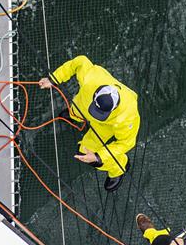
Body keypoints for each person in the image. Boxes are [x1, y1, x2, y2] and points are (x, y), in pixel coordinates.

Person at [38, 55, 140, 192]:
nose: (95, 113)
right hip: (83, 104)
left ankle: (119, 167)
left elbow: (126, 143)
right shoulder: (91, 78)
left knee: (88, 156)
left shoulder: (128, 116)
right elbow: (80, 61)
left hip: (105, 126)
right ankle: (74, 115)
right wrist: (53, 79)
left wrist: (98, 156)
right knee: (75, 110)